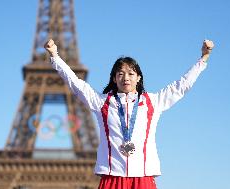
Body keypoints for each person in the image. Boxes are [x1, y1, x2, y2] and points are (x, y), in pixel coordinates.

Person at [44, 39, 214, 189]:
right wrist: (55, 57)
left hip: (143, 177)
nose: (126, 78)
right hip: (112, 177)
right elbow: (76, 83)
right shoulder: (101, 102)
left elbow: (181, 86)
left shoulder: (153, 102)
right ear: (114, 78)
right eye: (120, 74)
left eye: (131, 74)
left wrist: (203, 59)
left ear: (139, 77)